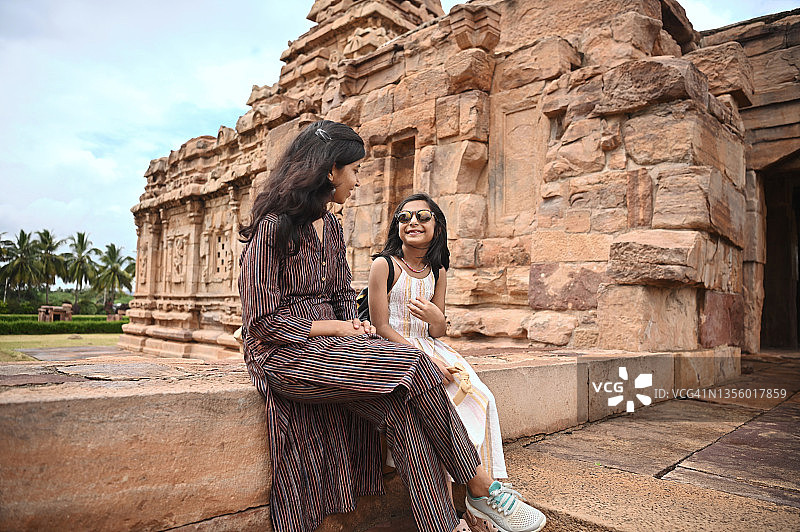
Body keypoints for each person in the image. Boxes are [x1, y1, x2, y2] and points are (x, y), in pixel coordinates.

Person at [238, 119, 545, 532]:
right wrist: (336, 329)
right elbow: (260, 321)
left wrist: (355, 324)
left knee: (402, 413)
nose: (359, 181)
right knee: (415, 364)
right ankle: (480, 487)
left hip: (333, 352)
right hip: (283, 356)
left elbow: (342, 293)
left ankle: (444, 526)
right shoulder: (275, 227)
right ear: (330, 170)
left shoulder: (330, 226)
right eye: (355, 170)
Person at [368, 194, 546, 531]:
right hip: (399, 349)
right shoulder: (385, 265)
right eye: (404, 217)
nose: (413, 222)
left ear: (437, 225)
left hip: (434, 346)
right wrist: (423, 357)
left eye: (422, 216)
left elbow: (437, 328)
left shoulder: (437, 270)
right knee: (445, 405)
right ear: (397, 226)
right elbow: (380, 327)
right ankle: (463, 507)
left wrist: (438, 318)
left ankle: (485, 497)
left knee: (482, 399)